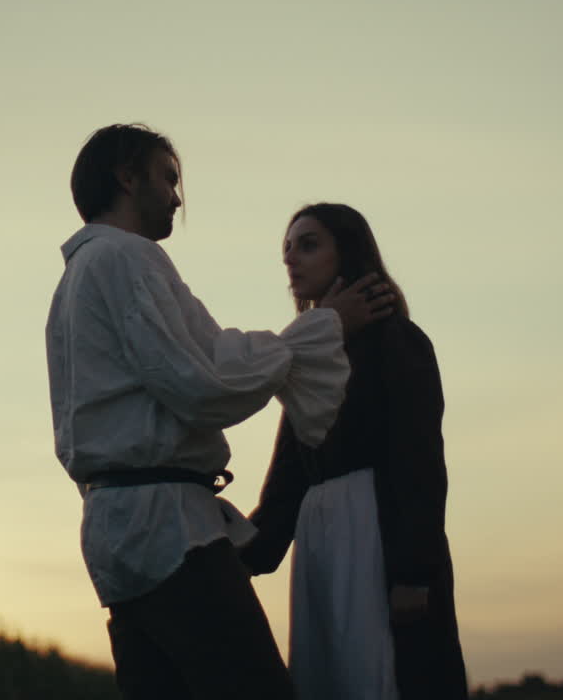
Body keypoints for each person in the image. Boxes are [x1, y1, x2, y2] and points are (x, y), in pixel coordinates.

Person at [44, 125, 395, 699]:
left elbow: (203, 360)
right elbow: (202, 378)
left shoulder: (77, 278)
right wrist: (324, 328)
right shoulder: (124, 258)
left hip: (118, 531)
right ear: (127, 177)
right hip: (166, 531)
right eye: (168, 178)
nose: (178, 199)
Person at [239, 203, 469, 699]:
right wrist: (241, 553)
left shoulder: (397, 341)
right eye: (286, 250)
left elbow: (419, 461)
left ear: (348, 251)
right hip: (319, 547)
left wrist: (412, 572)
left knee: (384, 676)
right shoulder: (310, 361)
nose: (291, 260)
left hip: (377, 536)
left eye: (308, 244)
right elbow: (287, 482)